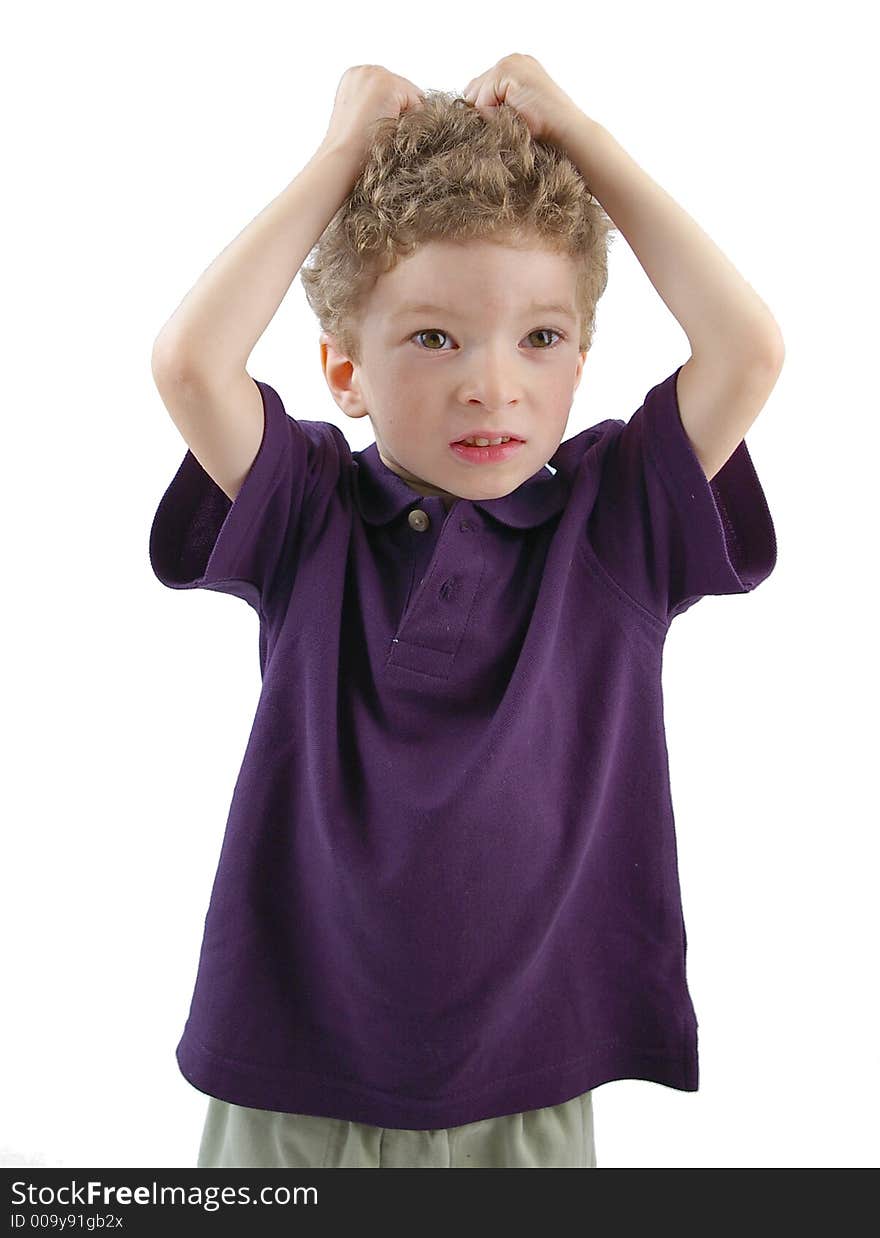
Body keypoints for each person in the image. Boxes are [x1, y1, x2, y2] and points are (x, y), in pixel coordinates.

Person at [148, 56, 783, 1169]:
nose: (494, 384)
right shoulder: (307, 509)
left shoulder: (615, 520)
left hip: (525, 1081)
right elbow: (191, 365)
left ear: (582, 360)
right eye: (435, 337)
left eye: (539, 337)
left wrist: (581, 136)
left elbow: (748, 348)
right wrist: (341, 150)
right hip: (291, 1076)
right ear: (345, 369)